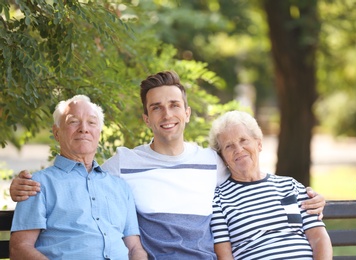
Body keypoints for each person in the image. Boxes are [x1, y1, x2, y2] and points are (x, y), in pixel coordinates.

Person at [10, 71, 326, 259]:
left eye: (174, 105)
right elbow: (80, 172)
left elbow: (253, 178)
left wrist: (309, 199)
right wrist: (19, 186)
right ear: (146, 118)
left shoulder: (211, 162)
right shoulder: (123, 164)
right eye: (156, 108)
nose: (167, 114)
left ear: (187, 113)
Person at [9, 95, 147, 260]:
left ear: (99, 133)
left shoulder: (120, 186)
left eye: (92, 122)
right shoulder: (37, 185)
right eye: (73, 121)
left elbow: (134, 248)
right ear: (57, 132)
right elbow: (20, 248)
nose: (84, 128)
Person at [208, 110, 333, 259]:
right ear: (222, 157)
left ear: (259, 144)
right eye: (229, 146)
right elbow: (225, 256)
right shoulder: (219, 201)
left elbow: (319, 239)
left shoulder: (291, 186)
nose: (238, 149)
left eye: (244, 140)